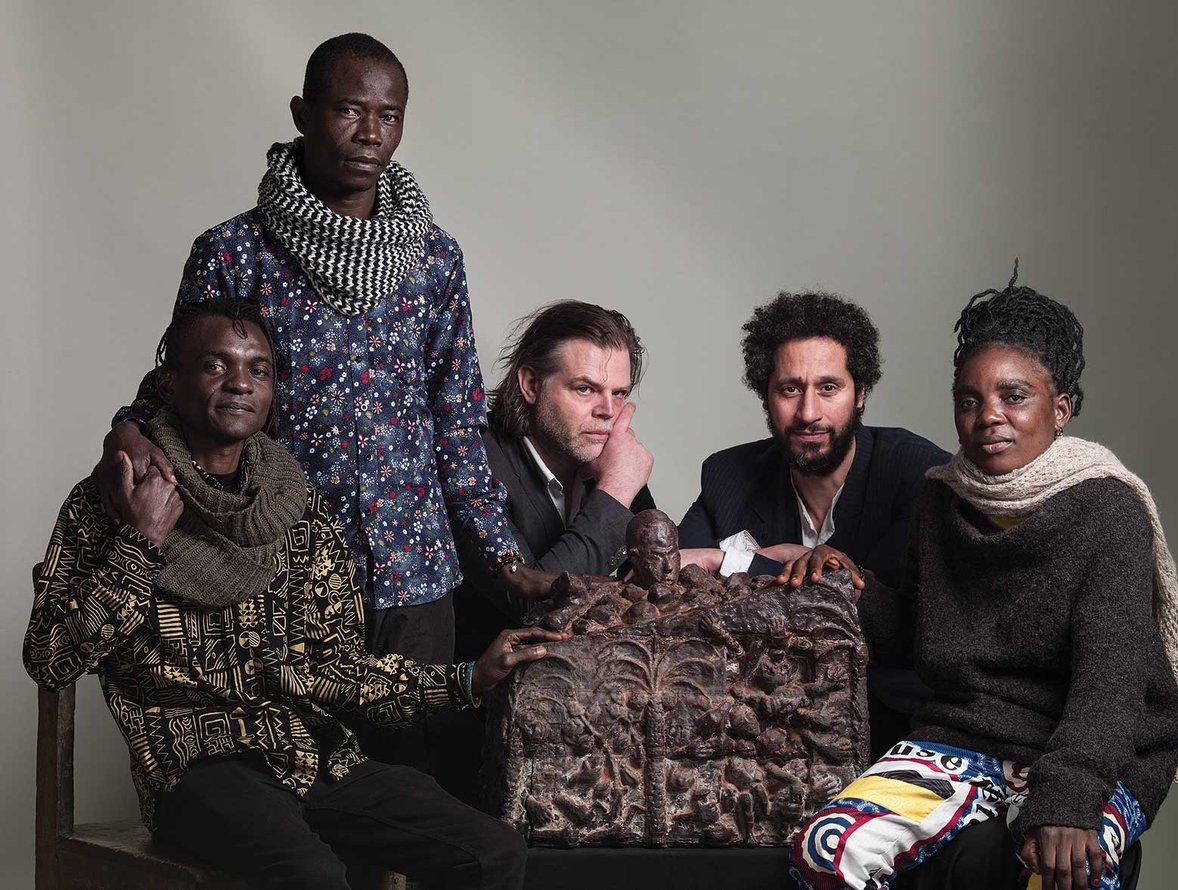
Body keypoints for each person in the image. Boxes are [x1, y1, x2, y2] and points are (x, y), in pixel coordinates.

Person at [25, 300, 564, 890]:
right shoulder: (111, 499)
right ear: (168, 383)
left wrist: (467, 679)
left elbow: (331, 669)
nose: (240, 383)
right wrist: (141, 541)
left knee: (492, 851)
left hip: (308, 754)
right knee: (311, 875)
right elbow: (50, 658)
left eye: (259, 370)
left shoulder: (296, 512)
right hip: (194, 766)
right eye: (215, 365)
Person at [94, 33, 549, 680]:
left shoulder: (434, 259)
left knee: (409, 778)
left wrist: (504, 560)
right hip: (280, 574)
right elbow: (178, 387)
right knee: (295, 774)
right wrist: (128, 428)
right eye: (348, 110)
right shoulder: (234, 255)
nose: (370, 133)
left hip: (415, 580)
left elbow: (458, 420)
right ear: (302, 114)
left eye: (389, 117)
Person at [786, 266, 1178, 890]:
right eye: (969, 400)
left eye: (1013, 396)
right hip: (964, 738)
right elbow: (920, 633)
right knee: (827, 852)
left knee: (1068, 871)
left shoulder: (1109, 509)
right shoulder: (942, 498)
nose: (988, 416)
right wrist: (851, 587)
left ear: (1061, 409)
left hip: (1090, 750)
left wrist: (1068, 801)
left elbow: (1111, 684)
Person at [677, 291, 948, 756]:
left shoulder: (915, 474)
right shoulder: (729, 476)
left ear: (860, 393)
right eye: (789, 389)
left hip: (896, 732)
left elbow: (874, 618)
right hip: (756, 734)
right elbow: (671, 584)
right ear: (765, 394)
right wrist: (738, 557)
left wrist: (739, 565)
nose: (808, 413)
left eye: (828, 388)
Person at [453, 300, 655, 662]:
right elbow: (532, 611)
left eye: (619, 393)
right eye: (585, 389)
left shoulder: (604, 455)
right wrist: (617, 490)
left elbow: (647, 594)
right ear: (531, 384)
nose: (608, 411)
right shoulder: (472, 462)